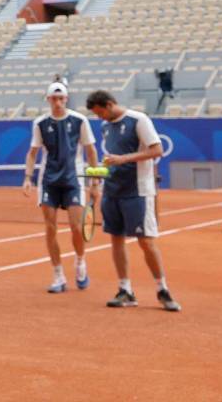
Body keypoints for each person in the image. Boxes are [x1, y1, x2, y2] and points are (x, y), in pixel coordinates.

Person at [85, 90, 182, 312]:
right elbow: (111, 159)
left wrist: (124, 159)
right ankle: (125, 290)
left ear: (109, 104)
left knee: (146, 241)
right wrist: (96, 178)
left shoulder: (139, 120)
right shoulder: (105, 126)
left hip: (137, 191)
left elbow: (157, 150)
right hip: (112, 191)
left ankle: (162, 289)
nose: (99, 118)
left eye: (100, 113)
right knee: (116, 239)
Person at [23, 82, 100, 293]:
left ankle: (80, 262)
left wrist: (96, 180)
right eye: (53, 99)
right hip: (48, 181)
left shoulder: (79, 120)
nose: (57, 102)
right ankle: (58, 275)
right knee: (50, 228)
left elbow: (91, 152)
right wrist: (27, 177)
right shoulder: (40, 123)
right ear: (48, 100)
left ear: (66, 99)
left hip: (73, 181)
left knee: (77, 227)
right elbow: (32, 153)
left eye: (61, 98)